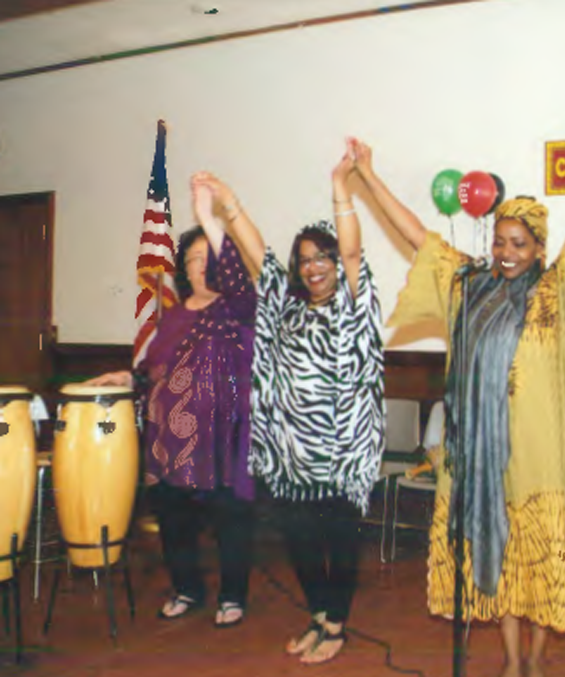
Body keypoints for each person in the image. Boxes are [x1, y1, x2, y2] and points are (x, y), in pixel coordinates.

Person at [354, 127, 565, 677]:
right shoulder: (467, 286)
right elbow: (418, 235)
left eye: (519, 244)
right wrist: (368, 176)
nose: (507, 253)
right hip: (478, 461)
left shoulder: (556, 292)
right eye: (500, 241)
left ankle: (536, 662)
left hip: (539, 461)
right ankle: (512, 662)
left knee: (538, 569)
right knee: (501, 564)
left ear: (540, 247)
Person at [189, 138, 385, 665]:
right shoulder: (285, 306)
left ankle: (338, 626)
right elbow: (259, 256)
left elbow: (350, 249)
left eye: (321, 258)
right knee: (300, 542)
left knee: (339, 542)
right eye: (305, 261)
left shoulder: (353, 300)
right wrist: (226, 204)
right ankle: (318, 615)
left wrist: (340, 186)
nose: (314, 266)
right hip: (291, 454)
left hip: (342, 455)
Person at [88, 178, 257, 628]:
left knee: (230, 521)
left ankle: (233, 596)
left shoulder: (239, 308)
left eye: (210, 257)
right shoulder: (175, 316)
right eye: (193, 260)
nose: (201, 266)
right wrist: (128, 377)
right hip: (170, 446)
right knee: (173, 520)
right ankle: (187, 588)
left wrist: (208, 212)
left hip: (225, 442)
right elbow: (154, 368)